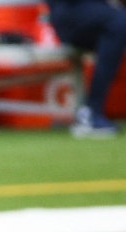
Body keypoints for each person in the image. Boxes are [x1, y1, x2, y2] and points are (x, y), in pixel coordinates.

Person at [45, 0, 126, 138]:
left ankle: (91, 112)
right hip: (70, 12)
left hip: (100, 12)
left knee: (119, 22)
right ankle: (91, 113)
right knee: (120, 22)